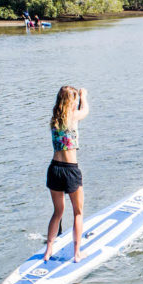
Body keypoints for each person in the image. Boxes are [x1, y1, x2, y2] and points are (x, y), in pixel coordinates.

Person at [44, 85, 89, 262]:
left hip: (54, 169)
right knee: (78, 212)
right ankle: (77, 253)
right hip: (70, 170)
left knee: (58, 212)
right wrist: (84, 96)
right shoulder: (74, 117)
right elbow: (85, 110)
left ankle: (48, 250)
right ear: (72, 102)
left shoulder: (54, 120)